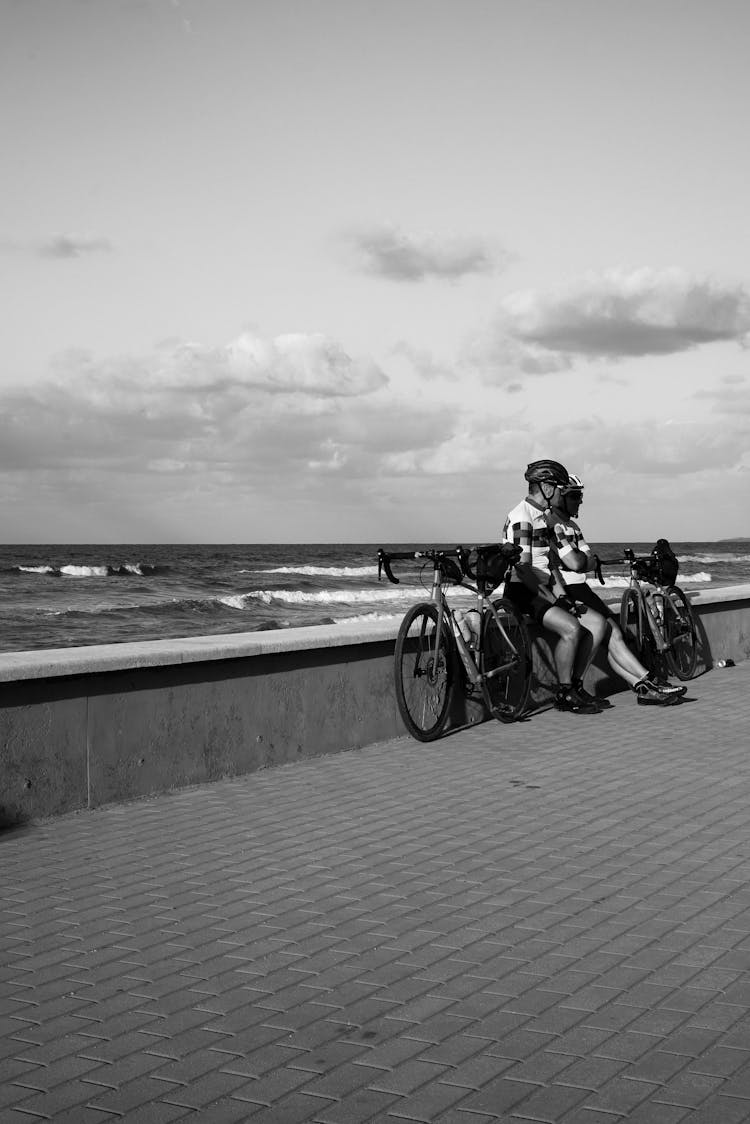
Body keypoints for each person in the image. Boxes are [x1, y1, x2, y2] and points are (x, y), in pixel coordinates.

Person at [548, 473, 686, 706]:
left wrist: (583, 560)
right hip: (569, 590)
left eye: (580, 496)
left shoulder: (572, 526)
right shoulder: (553, 525)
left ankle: (645, 686)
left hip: (581, 587)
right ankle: (647, 682)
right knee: (612, 636)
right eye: (575, 496)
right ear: (560, 497)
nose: (580, 501)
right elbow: (579, 563)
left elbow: (588, 559)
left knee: (615, 636)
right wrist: (582, 561)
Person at [502, 459, 608, 714]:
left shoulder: (543, 519)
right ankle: (564, 692)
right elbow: (523, 569)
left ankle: (576, 686)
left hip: (542, 587)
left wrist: (562, 595)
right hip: (522, 591)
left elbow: (550, 565)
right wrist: (553, 599)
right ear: (547, 488)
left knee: (596, 623)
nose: (561, 493)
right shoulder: (522, 519)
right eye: (559, 488)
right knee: (571, 628)